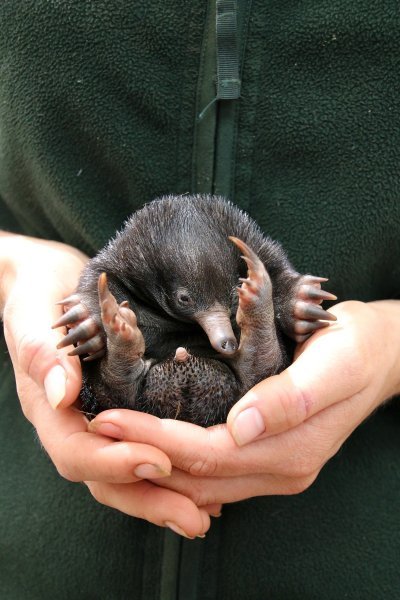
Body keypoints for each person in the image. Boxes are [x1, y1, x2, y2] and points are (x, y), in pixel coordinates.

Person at [1, 2, 400, 598]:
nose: (219, 328)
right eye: (196, 302)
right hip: (45, 552)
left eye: (227, 311)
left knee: (250, 343)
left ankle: (255, 331)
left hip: (341, 555)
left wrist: (390, 348)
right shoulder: (129, 264)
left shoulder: (247, 258)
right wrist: (16, 270)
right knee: (125, 364)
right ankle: (135, 356)